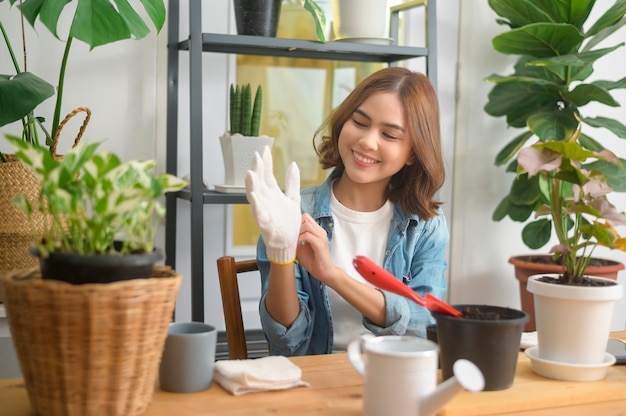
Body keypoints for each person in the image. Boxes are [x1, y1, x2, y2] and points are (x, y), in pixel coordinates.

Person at [245, 66, 449, 356]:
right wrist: (281, 255)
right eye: (360, 122)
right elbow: (286, 339)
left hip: (392, 375)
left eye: (389, 135)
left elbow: (421, 325)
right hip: (312, 380)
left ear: (413, 153)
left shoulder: (427, 225)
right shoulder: (294, 210)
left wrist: (333, 275)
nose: (367, 141)